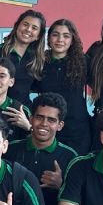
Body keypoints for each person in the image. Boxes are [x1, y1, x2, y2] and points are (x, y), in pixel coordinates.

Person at [32, 19, 91, 155]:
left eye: (66, 36)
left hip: (77, 130)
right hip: (47, 128)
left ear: (72, 40)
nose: (60, 40)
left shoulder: (84, 62)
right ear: (48, 38)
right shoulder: (39, 62)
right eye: (55, 35)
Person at [0, 10, 46, 107]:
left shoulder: (37, 59)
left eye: (34, 28)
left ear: (38, 36)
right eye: (25, 24)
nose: (28, 29)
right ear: (17, 26)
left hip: (23, 112)